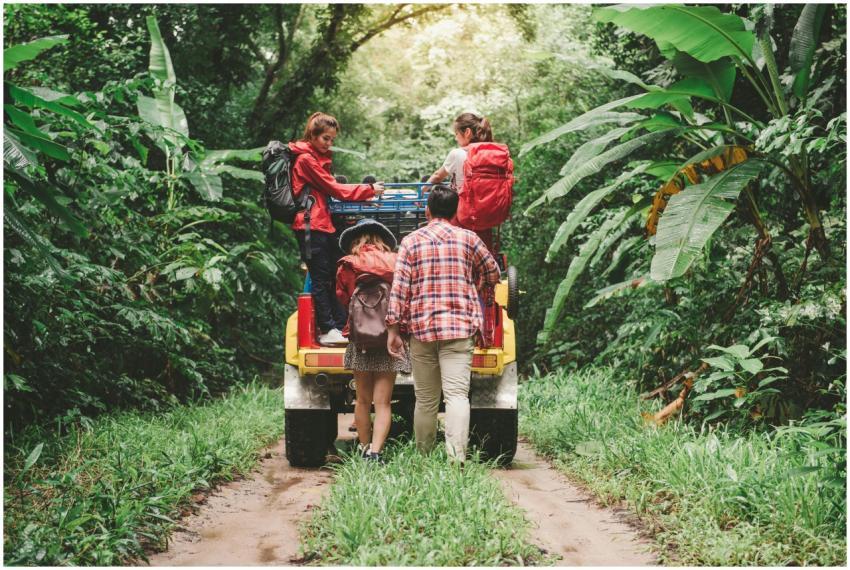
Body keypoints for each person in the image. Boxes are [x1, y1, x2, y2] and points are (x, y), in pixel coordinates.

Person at [386, 185, 501, 463]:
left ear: (427, 211)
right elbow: (494, 272)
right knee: (457, 395)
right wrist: (478, 280)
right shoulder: (469, 239)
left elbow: (400, 288)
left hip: (422, 331)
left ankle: (424, 457)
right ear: (456, 211)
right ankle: (456, 458)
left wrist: (393, 329)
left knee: (425, 399)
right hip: (460, 328)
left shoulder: (411, 241)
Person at [289, 112, 384, 346]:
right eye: (325, 138)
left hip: (322, 224)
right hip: (311, 225)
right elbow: (335, 188)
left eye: (332, 139)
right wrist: (369, 189)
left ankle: (339, 324)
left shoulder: (315, 158)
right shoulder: (306, 161)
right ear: (312, 135)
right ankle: (328, 328)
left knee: (333, 272)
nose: (329, 143)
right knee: (321, 278)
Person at [336, 219, 411, 462]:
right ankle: (376, 453)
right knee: (383, 402)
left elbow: (343, 298)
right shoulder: (395, 261)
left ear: (356, 240)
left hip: (360, 340)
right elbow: (403, 297)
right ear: (381, 240)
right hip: (389, 338)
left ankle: (363, 447)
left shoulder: (348, 264)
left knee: (362, 399)